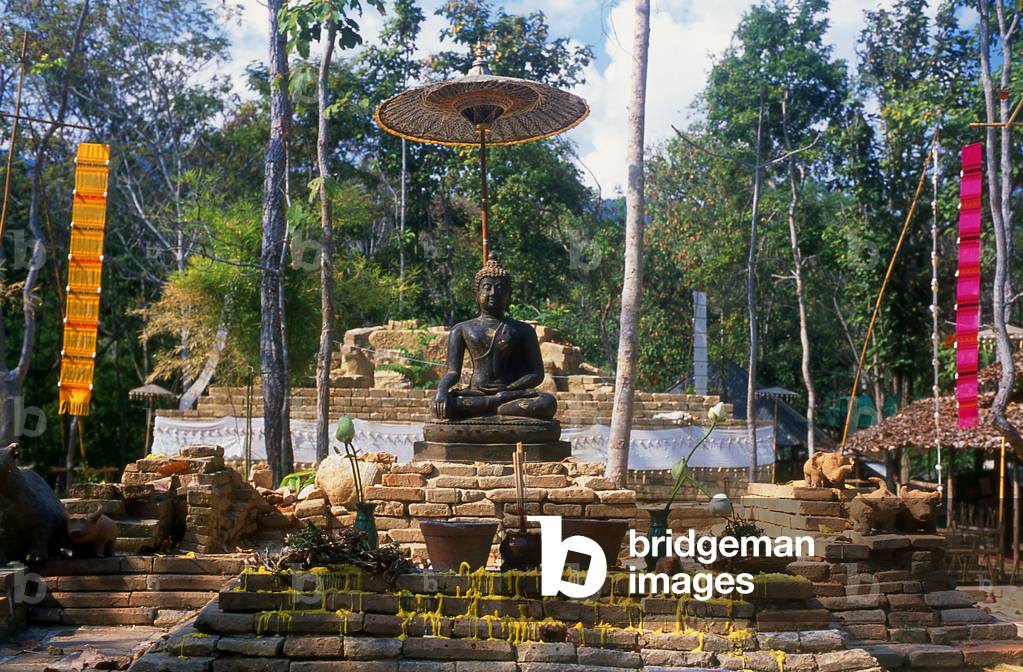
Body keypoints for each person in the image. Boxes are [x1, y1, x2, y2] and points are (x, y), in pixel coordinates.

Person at [432, 256, 557, 421]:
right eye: (487, 287)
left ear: (508, 294)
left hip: (509, 395)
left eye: (499, 288)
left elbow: (536, 374)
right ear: (476, 293)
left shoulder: (523, 330)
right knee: (439, 407)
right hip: (475, 394)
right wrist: (441, 390)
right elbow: (453, 372)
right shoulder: (462, 329)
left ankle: (491, 407)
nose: (493, 293)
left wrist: (510, 389)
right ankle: (496, 406)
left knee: (547, 403)